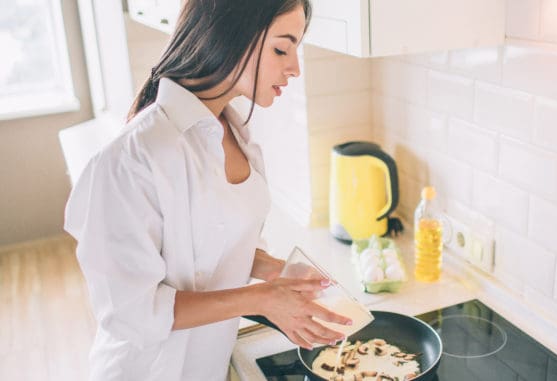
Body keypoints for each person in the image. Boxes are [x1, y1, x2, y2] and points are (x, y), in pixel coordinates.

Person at [63, 1, 351, 379]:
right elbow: (132, 312)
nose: (295, 67)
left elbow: (210, 248)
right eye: (282, 48)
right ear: (230, 34)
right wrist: (263, 299)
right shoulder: (130, 158)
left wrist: (278, 271)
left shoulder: (236, 133)